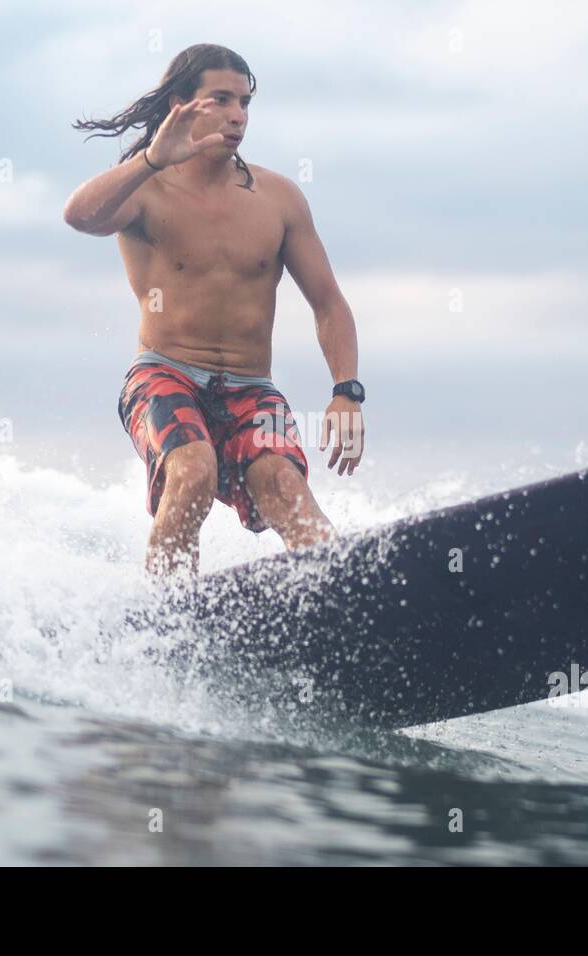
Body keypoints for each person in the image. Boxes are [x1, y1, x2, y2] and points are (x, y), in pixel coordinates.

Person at [64, 44, 365, 576]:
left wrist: (346, 391)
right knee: (194, 469)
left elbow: (328, 303)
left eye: (245, 102)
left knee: (283, 482)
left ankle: (340, 597)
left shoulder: (278, 198)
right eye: (221, 99)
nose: (237, 116)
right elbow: (79, 217)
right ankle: (170, 619)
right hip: (163, 373)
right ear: (182, 104)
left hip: (253, 388)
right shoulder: (146, 189)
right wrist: (152, 157)